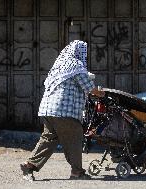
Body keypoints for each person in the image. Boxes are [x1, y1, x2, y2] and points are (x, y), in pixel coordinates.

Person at [20, 40, 104, 181]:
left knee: (49, 138)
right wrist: (100, 93)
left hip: (48, 109)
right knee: (75, 137)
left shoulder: (59, 65)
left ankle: (29, 165)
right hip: (63, 111)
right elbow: (88, 87)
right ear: (79, 52)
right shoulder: (76, 65)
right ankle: (77, 172)